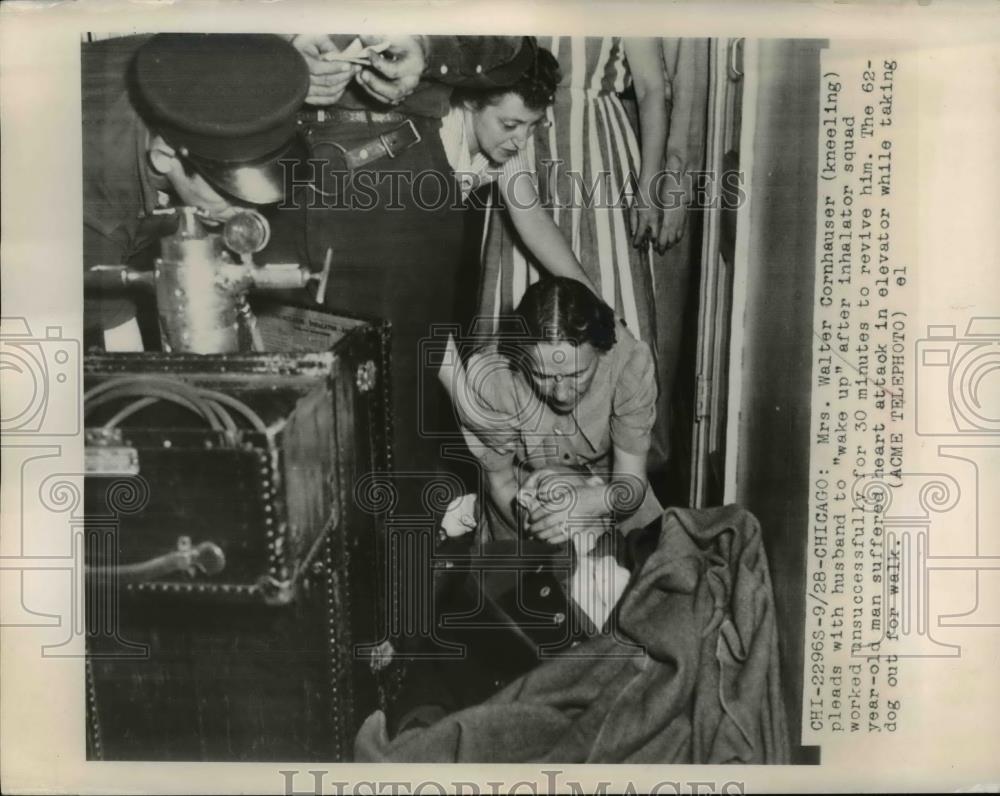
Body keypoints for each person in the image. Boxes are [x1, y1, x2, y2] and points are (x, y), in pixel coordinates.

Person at [82, 33, 310, 351]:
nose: (251, 215)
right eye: (231, 193)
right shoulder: (93, 201)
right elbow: (121, 357)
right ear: (165, 157)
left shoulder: (197, 67)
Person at [475, 37, 667, 354]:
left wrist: (649, 187)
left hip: (597, 150)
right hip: (518, 136)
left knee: (606, 279)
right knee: (517, 287)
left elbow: (651, 88)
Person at [441, 276, 663, 545]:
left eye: (577, 374)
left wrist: (594, 503)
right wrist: (543, 525)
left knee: (656, 568)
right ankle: (477, 511)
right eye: (542, 375)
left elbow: (631, 483)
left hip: (610, 483)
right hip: (524, 492)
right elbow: (500, 482)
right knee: (526, 582)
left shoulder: (629, 364)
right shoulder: (493, 380)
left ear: (601, 350)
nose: (561, 393)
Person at [439, 46, 598, 295]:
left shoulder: (499, 141)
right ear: (470, 100)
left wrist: (602, 310)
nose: (522, 141)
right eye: (510, 125)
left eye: (532, 126)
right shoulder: (442, 134)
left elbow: (533, 219)